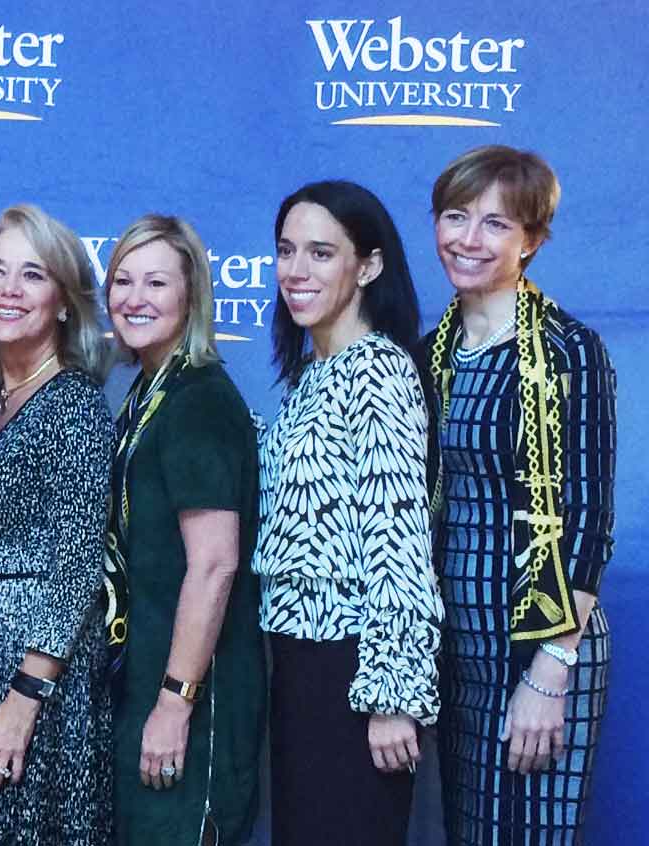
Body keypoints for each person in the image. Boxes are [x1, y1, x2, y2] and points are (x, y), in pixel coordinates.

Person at [419, 146, 614, 845]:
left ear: (531, 241)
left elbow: (587, 520)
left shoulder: (568, 351)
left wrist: (551, 671)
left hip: (539, 648)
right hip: (457, 650)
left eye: (497, 225)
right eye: (456, 216)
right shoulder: (428, 352)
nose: (468, 239)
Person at [254, 180, 442, 846]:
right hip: (300, 666)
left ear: (368, 265)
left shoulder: (378, 371)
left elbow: (399, 542)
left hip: (353, 670)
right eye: (285, 251)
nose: (296, 271)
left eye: (321, 253)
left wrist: (392, 696)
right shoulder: (314, 375)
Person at [0, 204, 120, 846]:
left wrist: (23, 700)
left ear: (65, 302)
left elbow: (74, 566)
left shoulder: (72, 403)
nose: (9, 289)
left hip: (36, 679)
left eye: (33, 275)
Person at [102, 215, 265, 845]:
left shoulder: (198, 399)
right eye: (123, 280)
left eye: (156, 283)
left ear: (191, 295)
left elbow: (215, 564)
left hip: (195, 696)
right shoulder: (149, 389)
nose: (135, 298)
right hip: (146, 673)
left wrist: (175, 702)